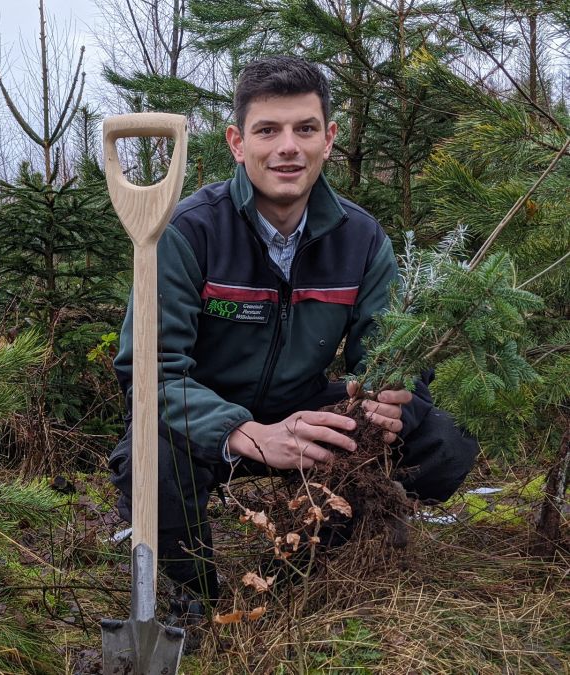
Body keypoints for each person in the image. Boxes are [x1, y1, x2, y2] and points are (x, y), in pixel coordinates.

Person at [108, 56, 479, 612]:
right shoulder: (187, 232)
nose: (288, 147)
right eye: (268, 130)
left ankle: (309, 566)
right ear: (237, 142)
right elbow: (149, 371)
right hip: (206, 421)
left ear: (328, 139)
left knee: (443, 443)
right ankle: (194, 596)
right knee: (151, 461)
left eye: (305, 129)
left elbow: (388, 354)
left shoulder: (360, 239)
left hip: (301, 409)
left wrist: (396, 399)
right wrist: (246, 432)